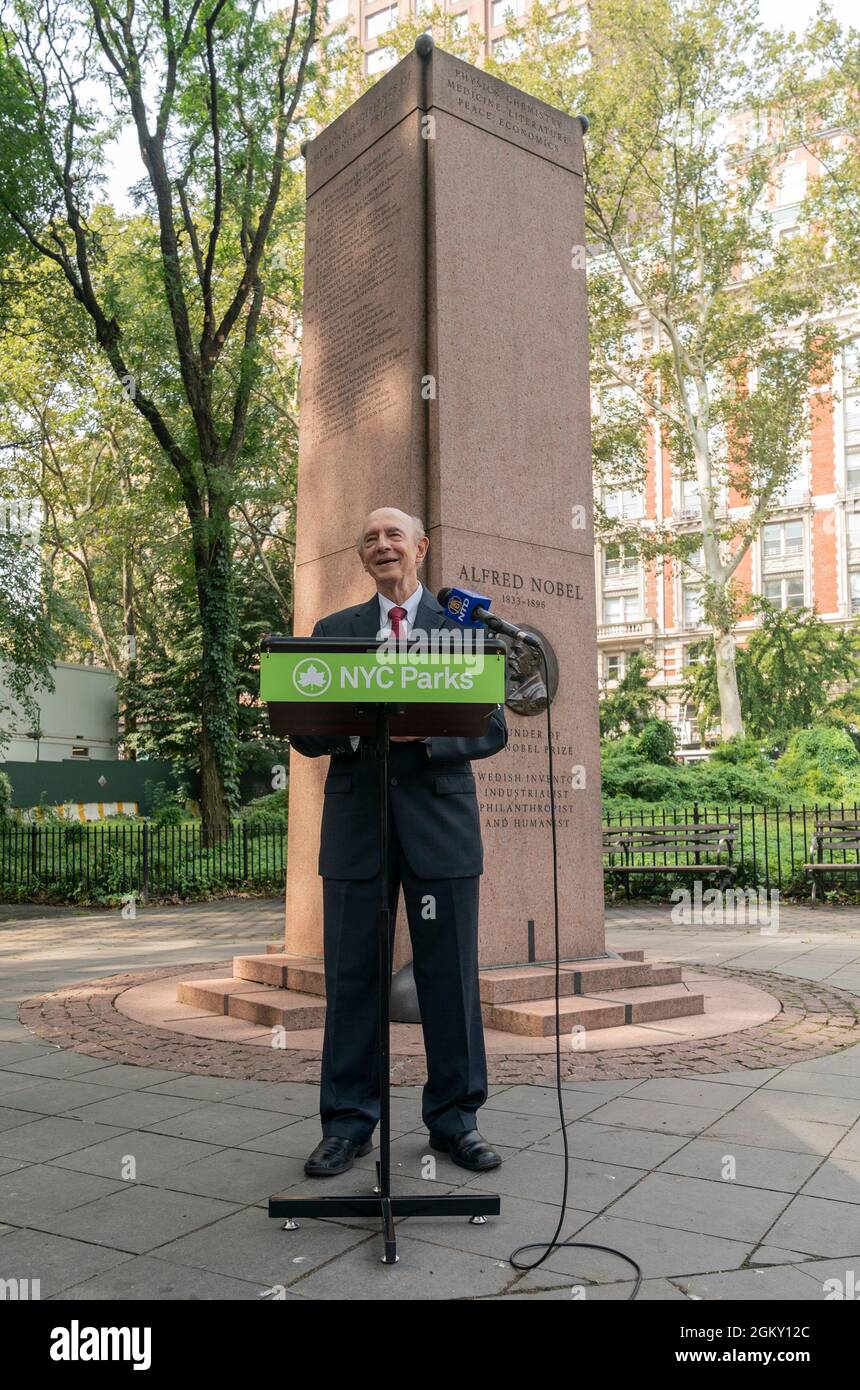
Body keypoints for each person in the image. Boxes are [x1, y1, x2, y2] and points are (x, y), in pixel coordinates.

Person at [291, 506, 507, 1176]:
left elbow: (492, 729)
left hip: (440, 828)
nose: (381, 546)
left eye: (394, 536)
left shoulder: (461, 630)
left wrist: (429, 735)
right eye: (369, 539)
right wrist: (357, 726)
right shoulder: (334, 632)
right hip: (358, 830)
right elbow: (304, 731)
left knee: (450, 977)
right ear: (363, 558)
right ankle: (349, 1123)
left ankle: (455, 1120)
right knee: (353, 976)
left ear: (420, 547)